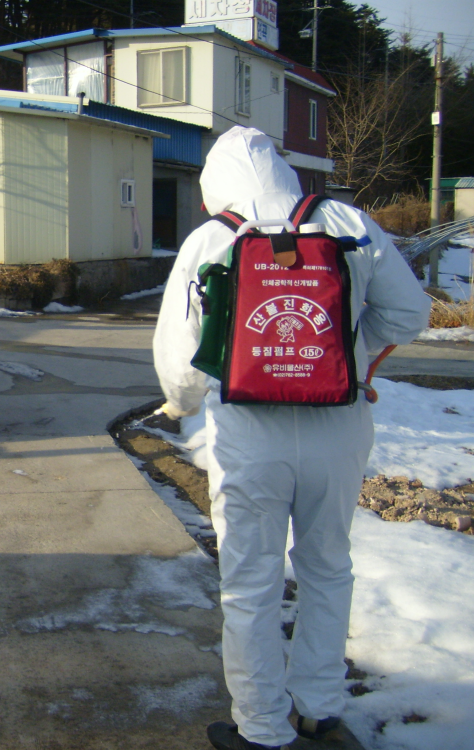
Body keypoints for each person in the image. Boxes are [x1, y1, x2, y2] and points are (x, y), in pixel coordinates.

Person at [152, 127, 429, 750]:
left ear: (215, 183)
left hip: (249, 436)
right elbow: (410, 313)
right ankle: (319, 709)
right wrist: (349, 353)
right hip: (338, 428)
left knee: (251, 583)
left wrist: (185, 403)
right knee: (328, 567)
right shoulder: (346, 221)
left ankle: (261, 727)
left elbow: (180, 360)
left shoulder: (211, 238)